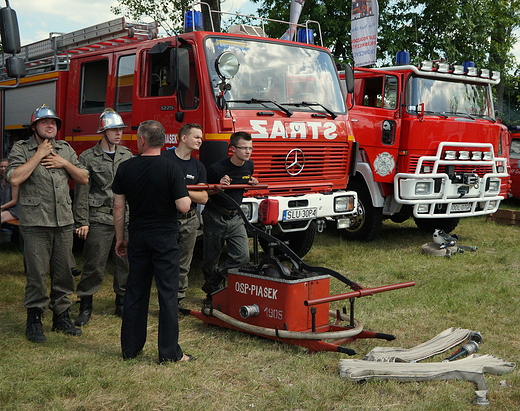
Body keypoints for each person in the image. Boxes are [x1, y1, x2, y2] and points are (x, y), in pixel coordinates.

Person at [5, 104, 89, 343]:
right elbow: (15, 177)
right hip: (35, 223)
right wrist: (38, 156)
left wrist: (65, 163)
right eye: (44, 122)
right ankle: (34, 319)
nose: (50, 125)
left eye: (53, 122)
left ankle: (61, 317)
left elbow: (83, 177)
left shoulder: (65, 149)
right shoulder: (22, 148)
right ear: (34, 127)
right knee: (37, 275)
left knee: (63, 274)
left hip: (63, 221)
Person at [112, 120, 194, 363]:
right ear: (162, 141)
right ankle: (169, 353)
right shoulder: (171, 169)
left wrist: (120, 239)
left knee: (136, 292)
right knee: (167, 294)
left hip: (138, 237)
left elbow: (118, 206)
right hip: (165, 239)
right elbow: (183, 205)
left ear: (142, 140)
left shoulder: (125, 168)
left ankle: (130, 349)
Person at [73, 108, 133, 326]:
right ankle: (85, 304)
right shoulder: (88, 157)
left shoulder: (127, 155)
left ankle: (122, 303)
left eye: (120, 130)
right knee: (94, 265)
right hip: (98, 217)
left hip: (123, 218)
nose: (118, 134)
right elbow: (82, 192)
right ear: (103, 131)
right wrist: (82, 221)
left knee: (124, 263)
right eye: (113, 130)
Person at [201, 131, 258, 298]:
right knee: (211, 258)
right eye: (244, 148)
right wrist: (217, 187)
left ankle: (216, 277)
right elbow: (204, 194)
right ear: (232, 149)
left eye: (251, 148)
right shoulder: (216, 169)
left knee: (242, 256)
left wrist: (252, 182)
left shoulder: (249, 165)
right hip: (215, 216)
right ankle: (212, 293)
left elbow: (244, 180)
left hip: (236, 217)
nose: (248, 152)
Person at [161, 123, 208, 309]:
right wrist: (187, 191)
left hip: (189, 220)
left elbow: (203, 197)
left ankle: (178, 300)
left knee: (183, 263)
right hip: (166, 219)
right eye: (197, 137)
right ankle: (164, 299)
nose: (200, 141)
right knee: (164, 261)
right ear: (183, 138)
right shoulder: (164, 159)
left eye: (201, 138)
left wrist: (179, 189)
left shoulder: (198, 167)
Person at [1, 158, 19, 224]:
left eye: (5, 167)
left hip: (14, 210)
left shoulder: (13, 180)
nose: (3, 169)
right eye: (1, 167)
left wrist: (1, 207)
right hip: (3, 209)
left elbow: (14, 201)